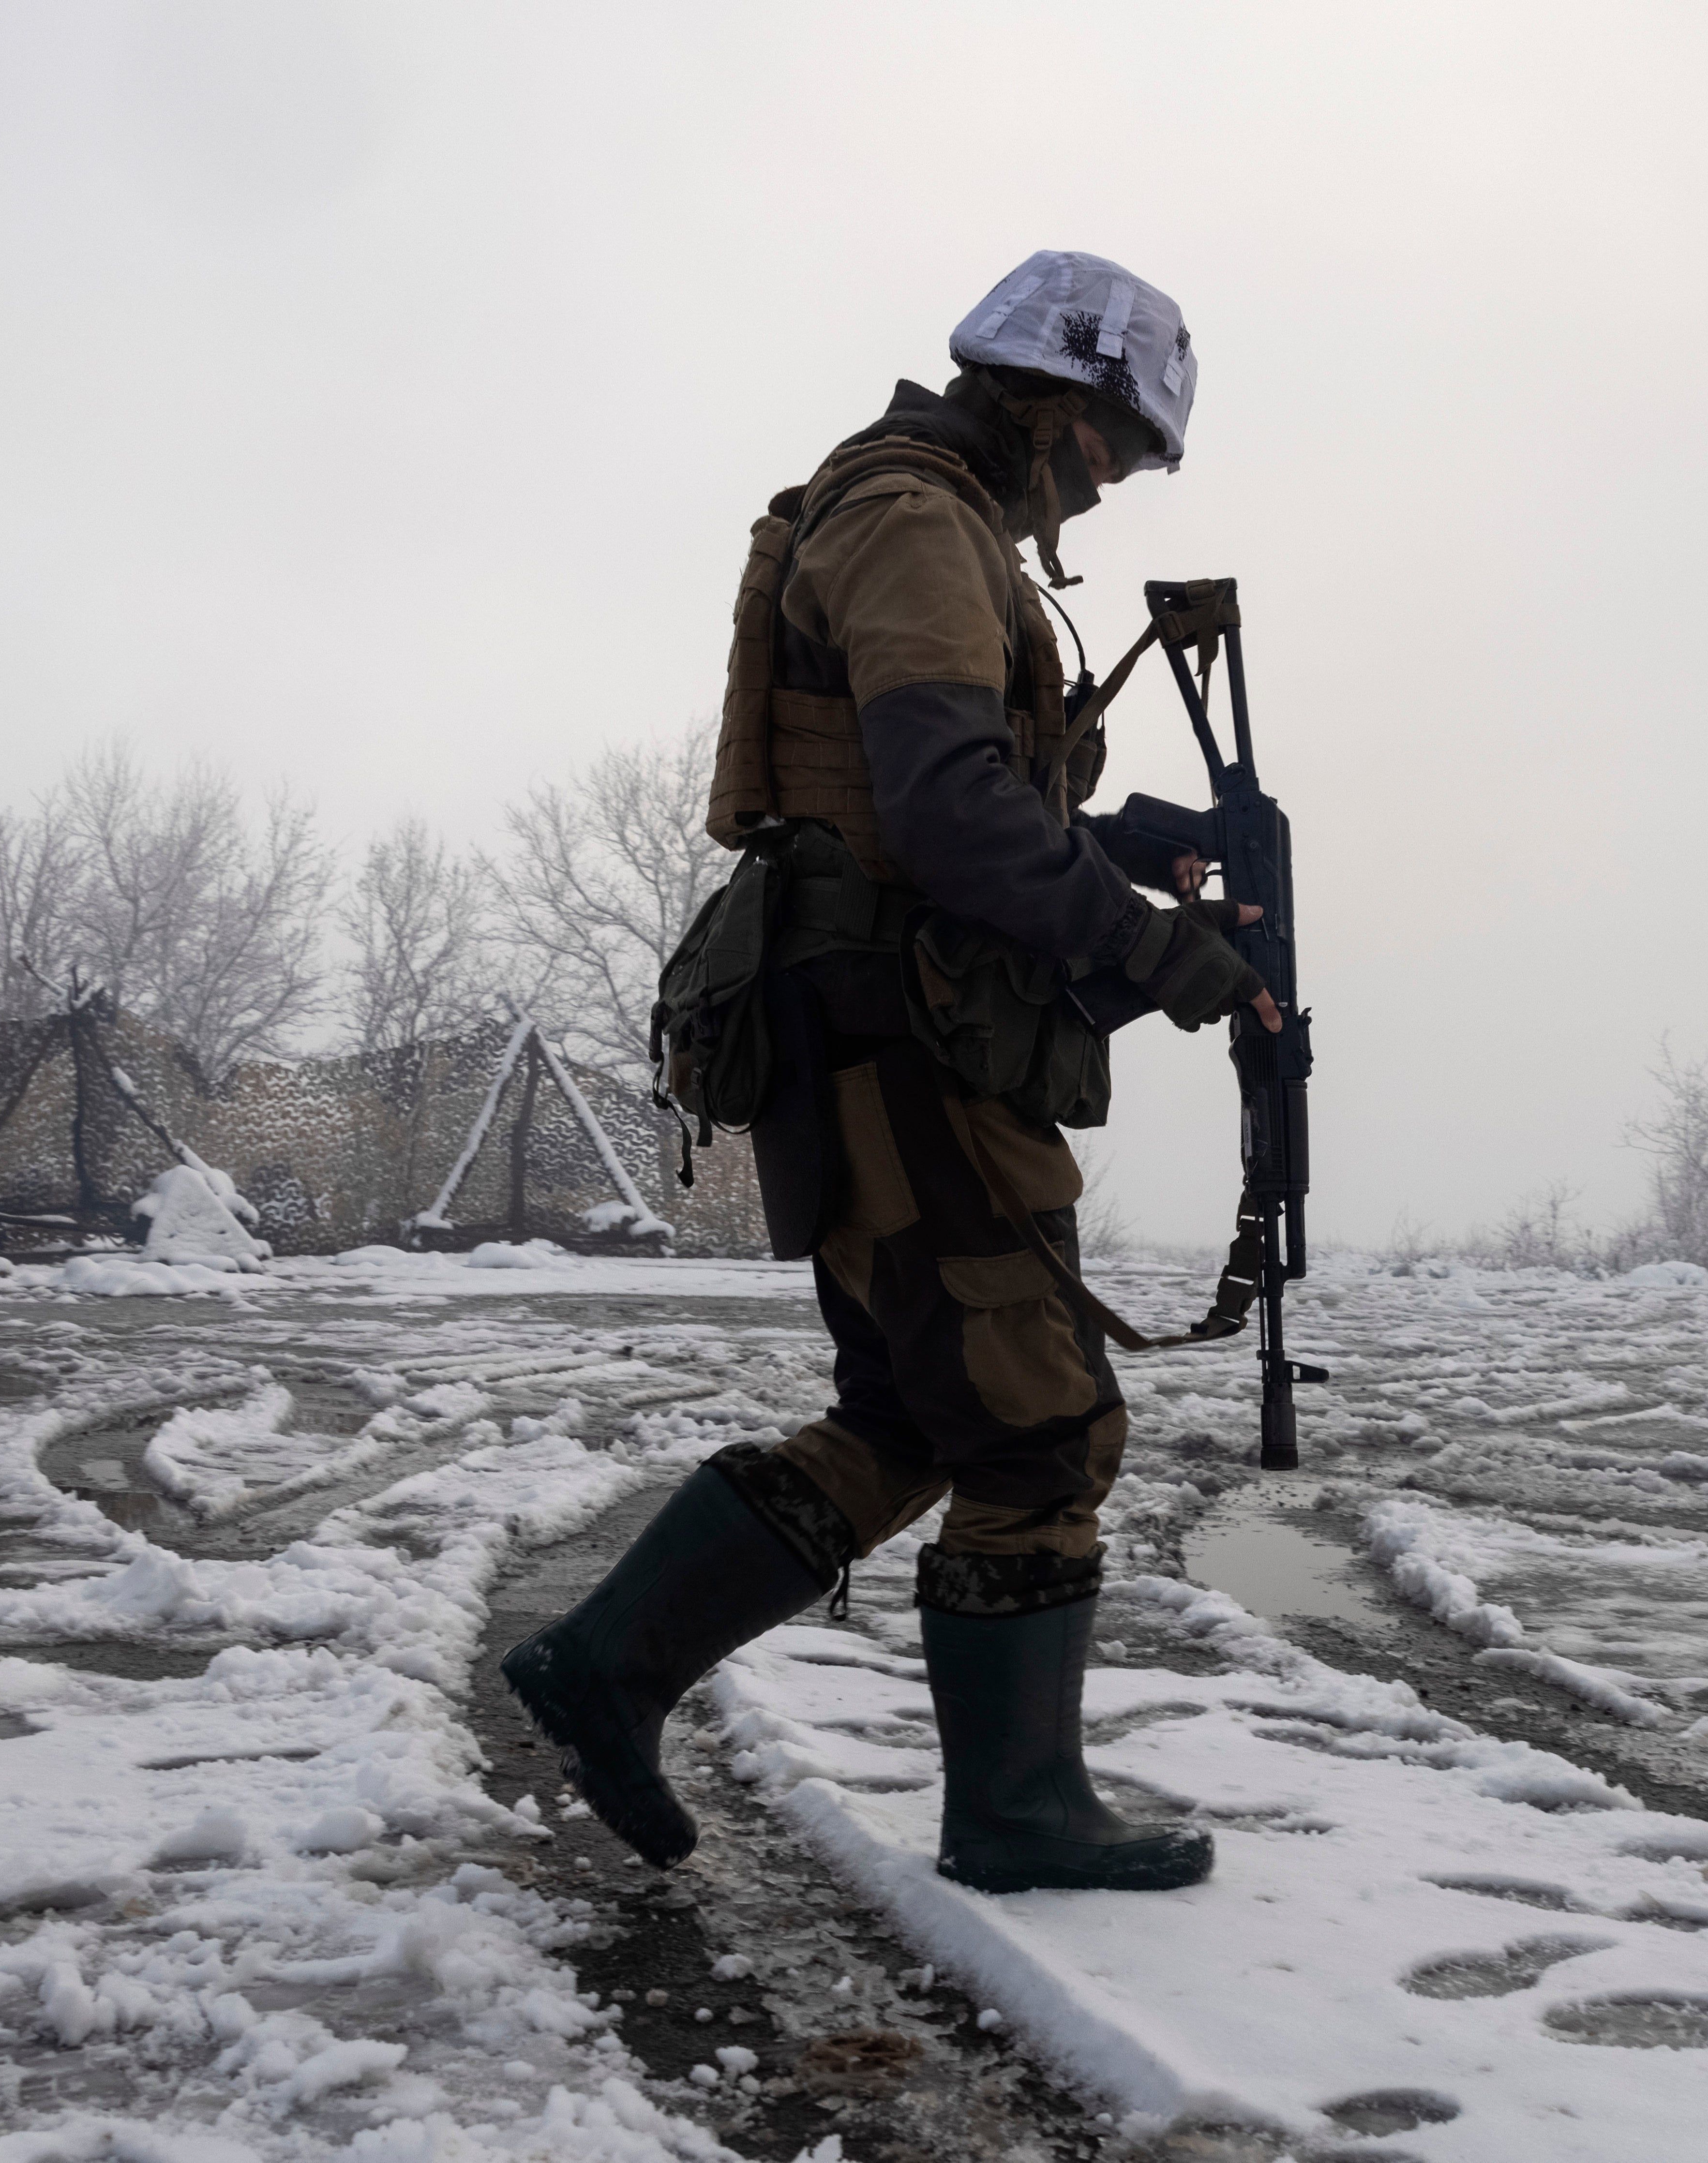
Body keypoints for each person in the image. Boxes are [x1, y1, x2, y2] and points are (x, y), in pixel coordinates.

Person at [501, 251, 1271, 1894]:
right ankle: (1014, 1814)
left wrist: (1130, 844)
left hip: (883, 1027)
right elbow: (941, 812)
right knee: (1039, 1432)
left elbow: (944, 789)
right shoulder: (920, 522)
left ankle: (610, 1665)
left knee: (918, 1413)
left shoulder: (921, 520)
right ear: (1057, 404)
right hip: (903, 1040)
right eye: (1123, 451)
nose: (1117, 486)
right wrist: (1142, 947)